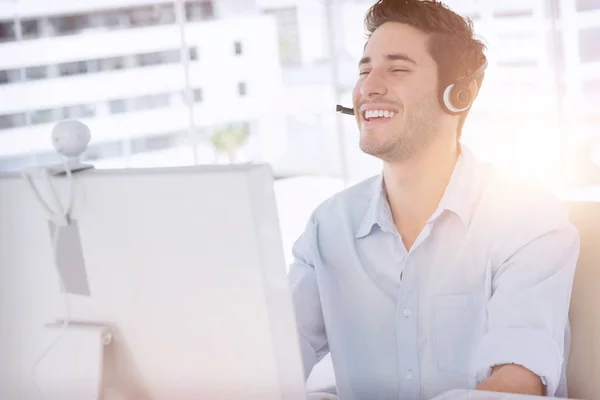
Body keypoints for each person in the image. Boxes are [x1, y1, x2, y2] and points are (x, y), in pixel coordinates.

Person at [288, 1, 580, 399]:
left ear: (459, 93)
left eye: (397, 69)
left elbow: (517, 384)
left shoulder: (528, 218)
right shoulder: (328, 227)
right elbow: (270, 357)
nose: (368, 87)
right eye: (363, 69)